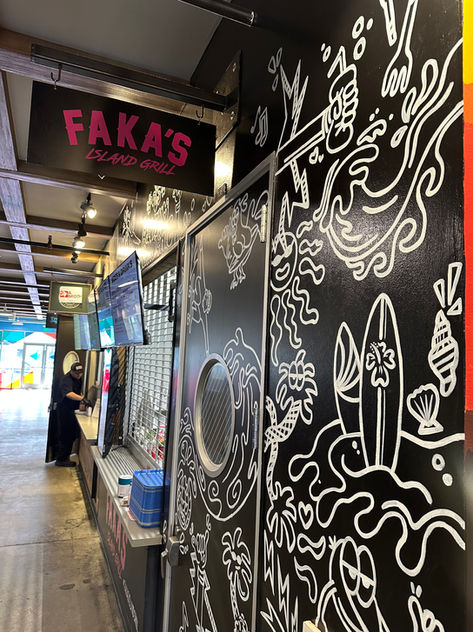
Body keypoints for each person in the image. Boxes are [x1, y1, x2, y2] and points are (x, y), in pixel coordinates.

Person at [55, 361, 84, 467]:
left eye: (80, 373)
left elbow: (77, 391)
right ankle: (61, 459)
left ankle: (66, 456)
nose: (79, 375)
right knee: (65, 434)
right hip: (64, 410)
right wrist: (82, 399)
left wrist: (81, 399)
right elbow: (69, 394)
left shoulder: (78, 378)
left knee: (71, 434)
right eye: (76, 374)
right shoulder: (66, 380)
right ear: (71, 371)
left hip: (72, 410)